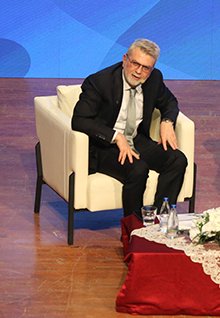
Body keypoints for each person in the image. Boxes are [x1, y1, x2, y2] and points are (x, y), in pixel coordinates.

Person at [72, 38, 187, 218]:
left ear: (152, 69)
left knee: (177, 160)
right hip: (103, 146)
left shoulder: (154, 79)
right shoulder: (100, 82)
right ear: (125, 59)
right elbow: (80, 120)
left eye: (146, 68)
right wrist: (116, 136)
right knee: (137, 169)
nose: (138, 71)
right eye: (135, 63)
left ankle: (160, 220)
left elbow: (170, 102)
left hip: (136, 139)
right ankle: (134, 228)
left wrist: (167, 121)